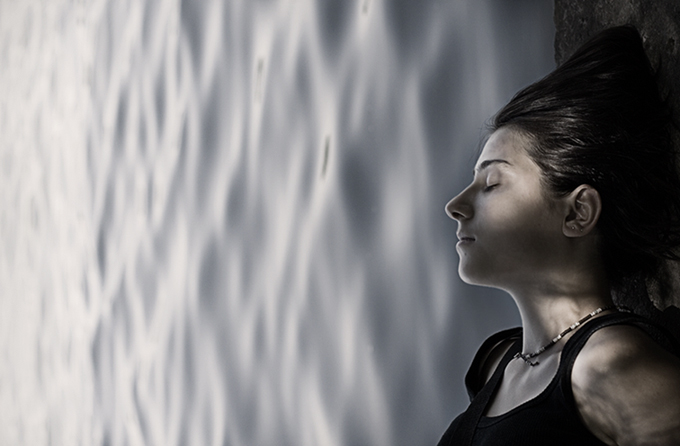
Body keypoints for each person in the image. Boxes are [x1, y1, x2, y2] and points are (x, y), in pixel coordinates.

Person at [437, 25, 680, 445]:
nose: (455, 205)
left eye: (492, 183)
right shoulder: (498, 362)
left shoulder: (609, 365)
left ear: (577, 212)